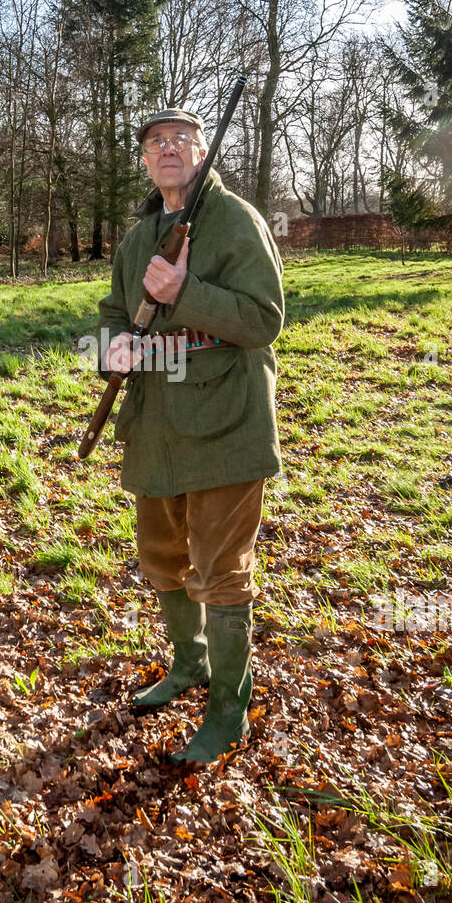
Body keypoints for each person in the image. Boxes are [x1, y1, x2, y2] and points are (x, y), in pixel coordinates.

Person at [97, 106, 285, 764]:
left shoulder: (236, 222)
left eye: (181, 139)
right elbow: (113, 315)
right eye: (156, 142)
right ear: (145, 161)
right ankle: (190, 665)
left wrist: (186, 291)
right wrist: (110, 348)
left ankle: (229, 709)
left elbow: (265, 318)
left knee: (223, 574)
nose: (168, 149)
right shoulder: (136, 236)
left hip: (225, 424)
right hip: (154, 427)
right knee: (161, 558)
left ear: (202, 152)